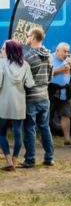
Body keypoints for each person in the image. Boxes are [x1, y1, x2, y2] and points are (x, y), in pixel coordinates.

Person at [19, 27, 54, 168]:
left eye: (28, 36)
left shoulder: (28, 57)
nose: (27, 38)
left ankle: (30, 159)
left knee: (29, 128)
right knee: (45, 127)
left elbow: (23, 79)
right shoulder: (49, 56)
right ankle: (49, 158)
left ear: (33, 37)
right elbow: (50, 77)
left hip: (31, 98)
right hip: (45, 96)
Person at [0, 40, 36, 171]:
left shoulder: (2, 63)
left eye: (3, 48)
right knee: (17, 133)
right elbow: (30, 84)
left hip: (3, 103)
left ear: (9, 50)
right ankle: (14, 161)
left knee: (2, 133)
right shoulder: (25, 65)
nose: (1, 50)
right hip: (19, 103)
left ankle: (8, 159)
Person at [48, 42, 71, 147]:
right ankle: (45, 141)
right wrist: (58, 70)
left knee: (66, 115)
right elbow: (46, 74)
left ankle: (67, 141)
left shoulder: (67, 61)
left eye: (68, 51)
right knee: (47, 116)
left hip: (65, 91)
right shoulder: (49, 58)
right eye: (64, 51)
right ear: (57, 51)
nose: (66, 54)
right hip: (51, 90)